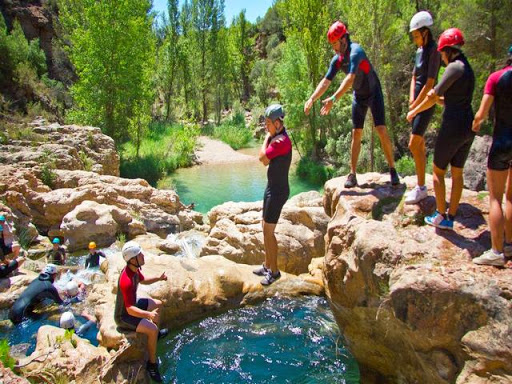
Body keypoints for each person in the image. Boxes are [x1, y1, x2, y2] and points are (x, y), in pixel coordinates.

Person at [304, 21, 400, 188]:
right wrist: (312, 99)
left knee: (381, 130)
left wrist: (334, 99)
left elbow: (350, 78)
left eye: (334, 43)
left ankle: (392, 169)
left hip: (373, 92)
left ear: (343, 39)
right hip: (359, 96)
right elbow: (326, 82)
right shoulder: (338, 60)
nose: (333, 47)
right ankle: (352, 174)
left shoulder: (356, 51)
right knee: (356, 133)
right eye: (331, 44)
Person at [407, 28, 475, 230]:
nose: (442, 58)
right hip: (468, 126)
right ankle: (450, 217)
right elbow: (454, 100)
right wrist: (440, 101)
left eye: (442, 53)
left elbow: (431, 95)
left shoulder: (453, 68)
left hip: (453, 126)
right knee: (457, 172)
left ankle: (439, 215)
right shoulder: (467, 68)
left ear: (447, 50)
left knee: (437, 171)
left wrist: (414, 111)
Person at [471, 46, 512, 266]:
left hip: (502, 141)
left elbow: (482, 112)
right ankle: (510, 244)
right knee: (511, 197)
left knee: (495, 197)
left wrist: (476, 123)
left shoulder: (496, 78)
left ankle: (496, 251)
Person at [114, 241, 169, 383]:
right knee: (152, 328)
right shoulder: (125, 280)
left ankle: (154, 338)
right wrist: (148, 315)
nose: (143, 256)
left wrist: (159, 277)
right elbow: (129, 309)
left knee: (158, 304)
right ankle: (152, 364)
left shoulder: (134, 270)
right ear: (132, 259)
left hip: (132, 306)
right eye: (140, 255)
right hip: (124, 316)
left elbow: (143, 280)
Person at [252, 104, 292, 286]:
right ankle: (267, 265)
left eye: (268, 124)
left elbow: (262, 159)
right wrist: (269, 136)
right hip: (271, 188)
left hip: (278, 191)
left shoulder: (280, 141)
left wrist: (267, 138)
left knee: (269, 231)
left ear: (277, 123)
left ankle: (274, 272)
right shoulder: (275, 138)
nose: (265, 127)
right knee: (264, 227)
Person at [404, 11, 441, 204]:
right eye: (414, 36)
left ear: (426, 32)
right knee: (419, 144)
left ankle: (420, 188)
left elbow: (429, 83)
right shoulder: (419, 51)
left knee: (413, 143)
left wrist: (415, 108)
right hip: (417, 102)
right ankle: (421, 184)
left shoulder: (434, 51)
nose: (415, 40)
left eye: (417, 36)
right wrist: (411, 100)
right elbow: (414, 76)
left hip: (426, 102)